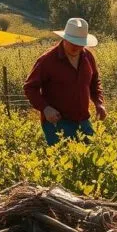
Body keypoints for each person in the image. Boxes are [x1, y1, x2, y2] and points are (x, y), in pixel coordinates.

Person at [24, 17, 106, 145]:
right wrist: (45, 108)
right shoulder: (47, 60)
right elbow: (30, 88)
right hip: (57, 123)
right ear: (65, 39)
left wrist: (99, 103)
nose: (76, 47)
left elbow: (94, 82)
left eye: (80, 43)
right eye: (73, 42)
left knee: (94, 158)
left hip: (83, 120)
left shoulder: (88, 57)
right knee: (64, 162)